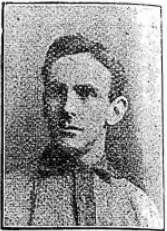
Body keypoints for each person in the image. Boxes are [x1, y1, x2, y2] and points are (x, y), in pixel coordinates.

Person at [4, 34, 162, 227]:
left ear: (115, 111)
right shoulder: (8, 195)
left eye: (85, 93)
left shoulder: (139, 207)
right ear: (45, 103)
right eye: (57, 92)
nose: (68, 107)